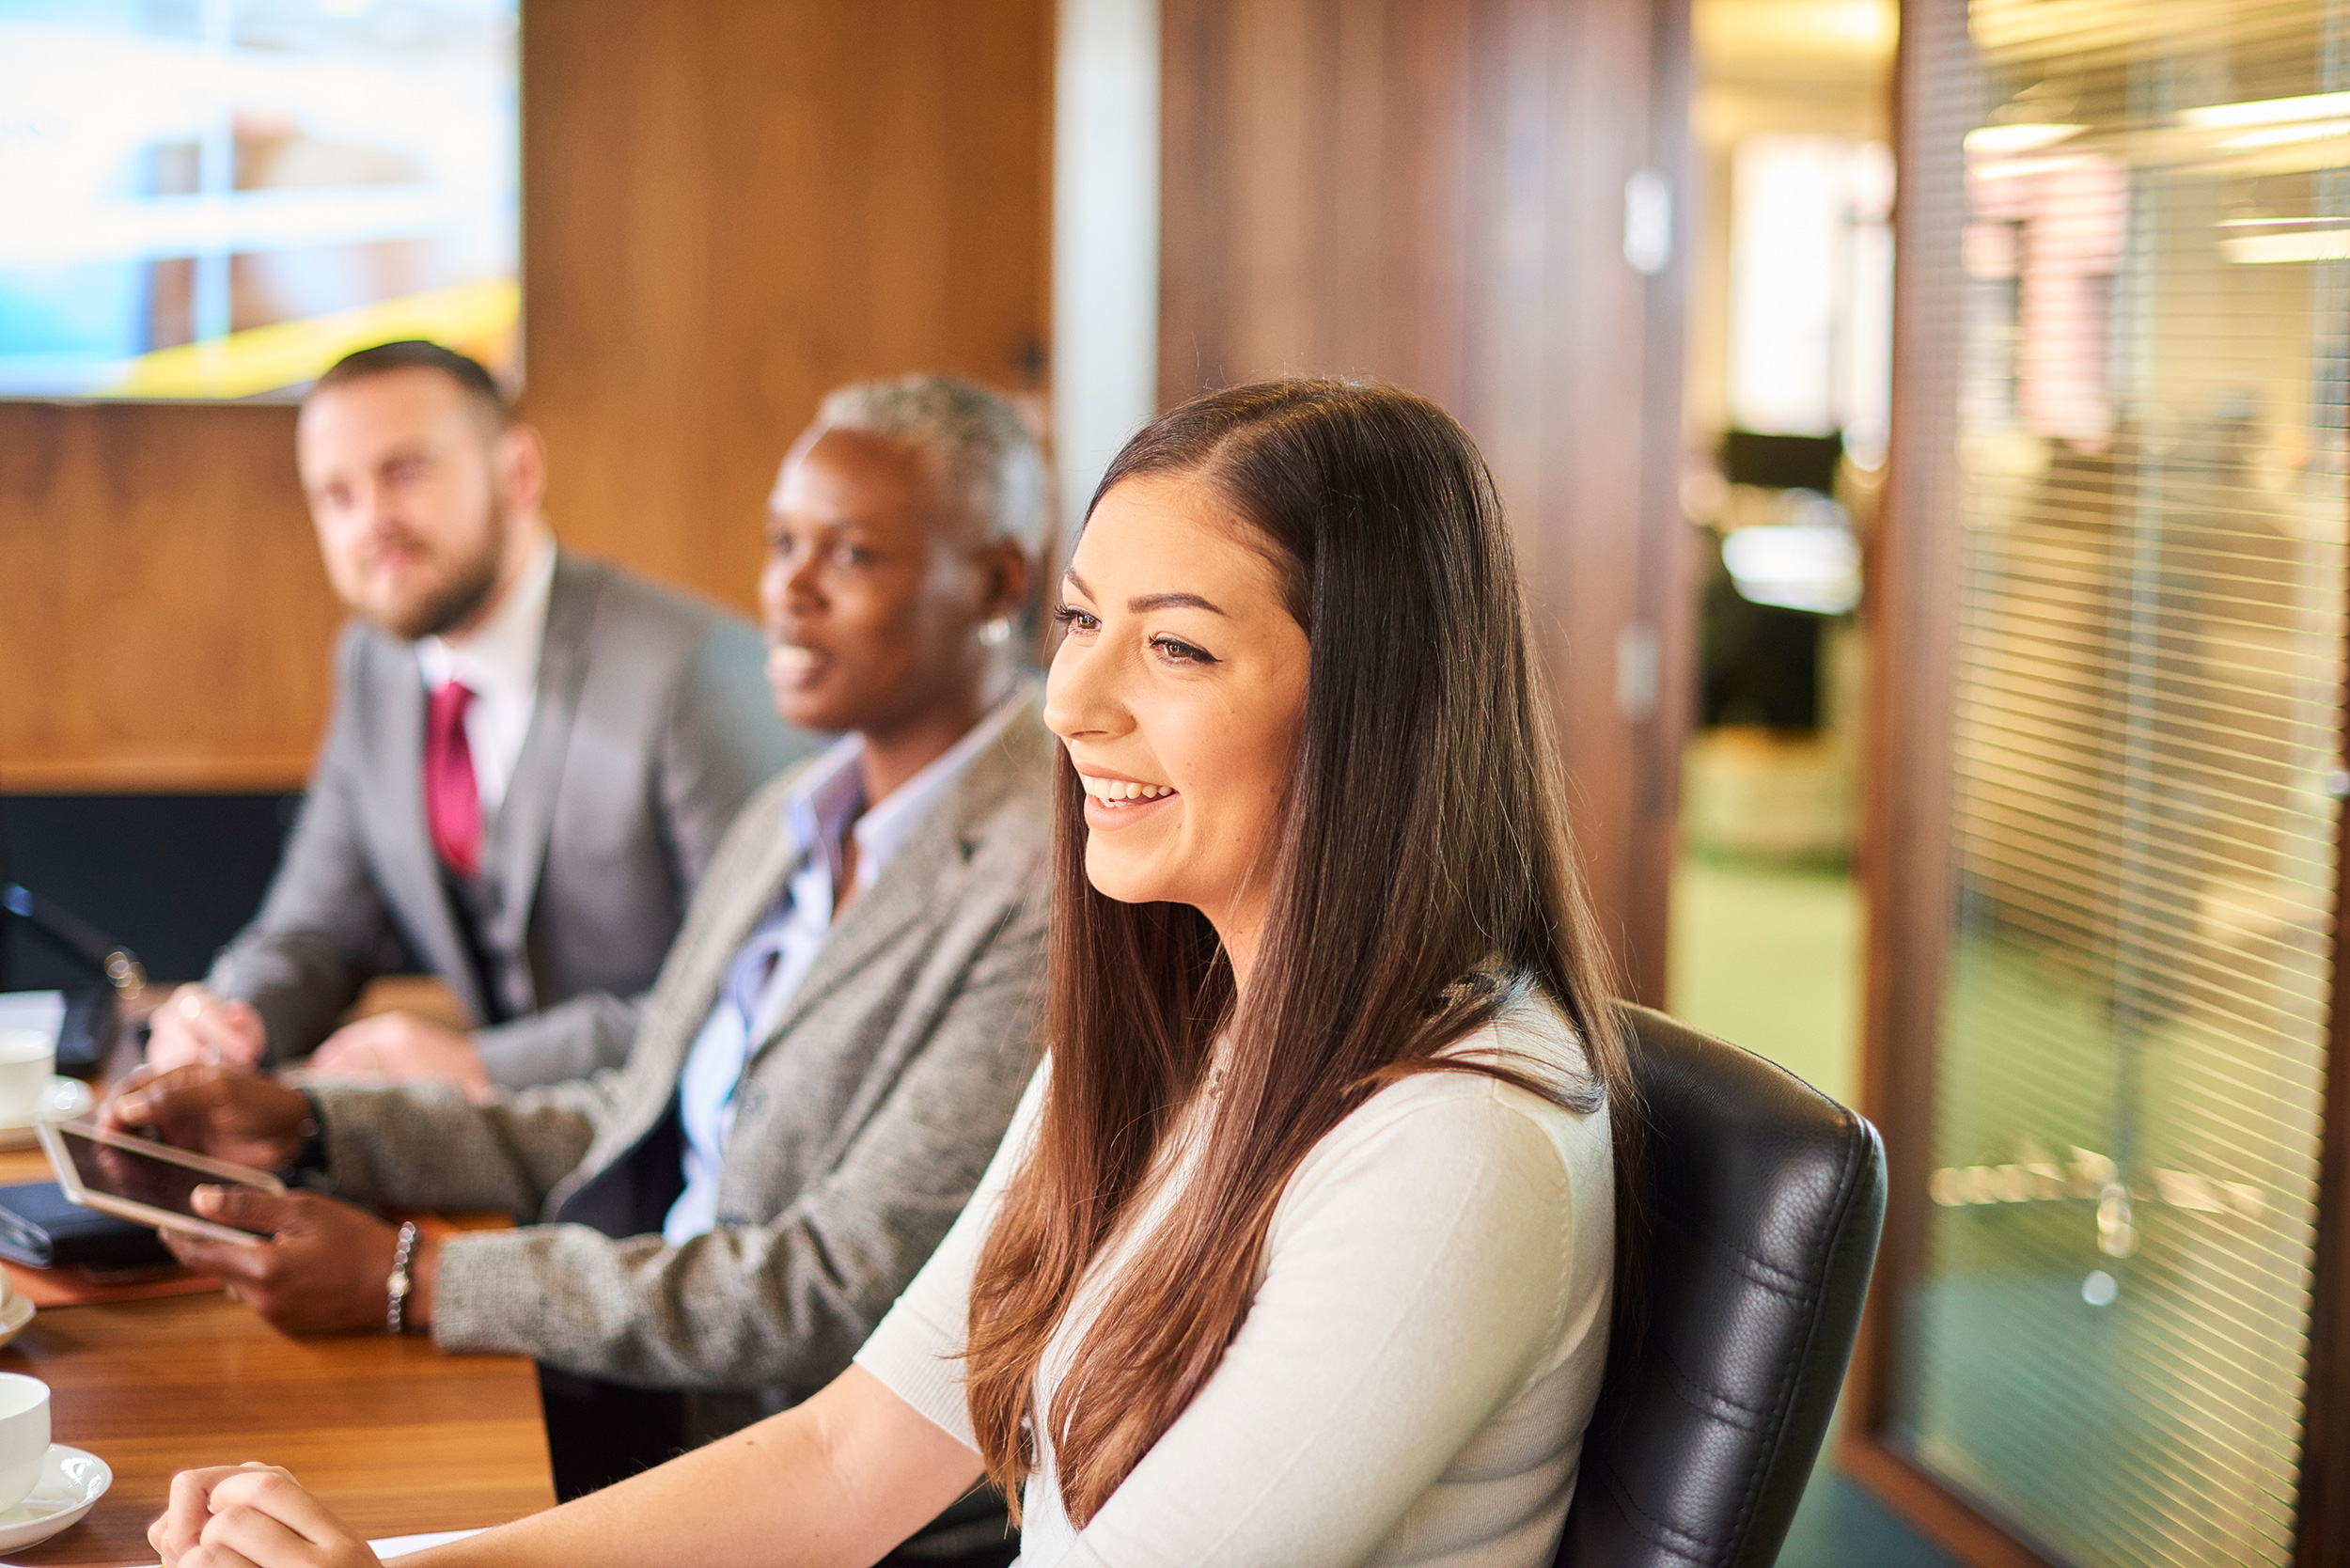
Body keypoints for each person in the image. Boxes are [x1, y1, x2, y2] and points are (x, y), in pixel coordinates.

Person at [149, 380, 1644, 1568]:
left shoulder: (1459, 1147)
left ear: (1374, 709)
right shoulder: (1182, 1031)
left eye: (1176, 651)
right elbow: (844, 1461)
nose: (1069, 701)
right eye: (1077, 624)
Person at [122, 375, 1056, 1558]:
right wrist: (310, 1123)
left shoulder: (1045, 874)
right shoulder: (794, 815)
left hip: (801, 1483)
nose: (788, 593)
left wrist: (419, 1280)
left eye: (853, 555)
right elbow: (634, 1111)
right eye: (781, 545)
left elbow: (833, 1290)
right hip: (650, 1385)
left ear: (996, 584)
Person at [145, 339, 812, 1093]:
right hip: (492, 1164)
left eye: (405, 473)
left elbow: (769, 986)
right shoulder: (373, 663)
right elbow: (320, 927)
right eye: (337, 495)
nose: (372, 523)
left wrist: (480, 1067)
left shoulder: (696, 671)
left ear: (517, 472)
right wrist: (236, 1018)